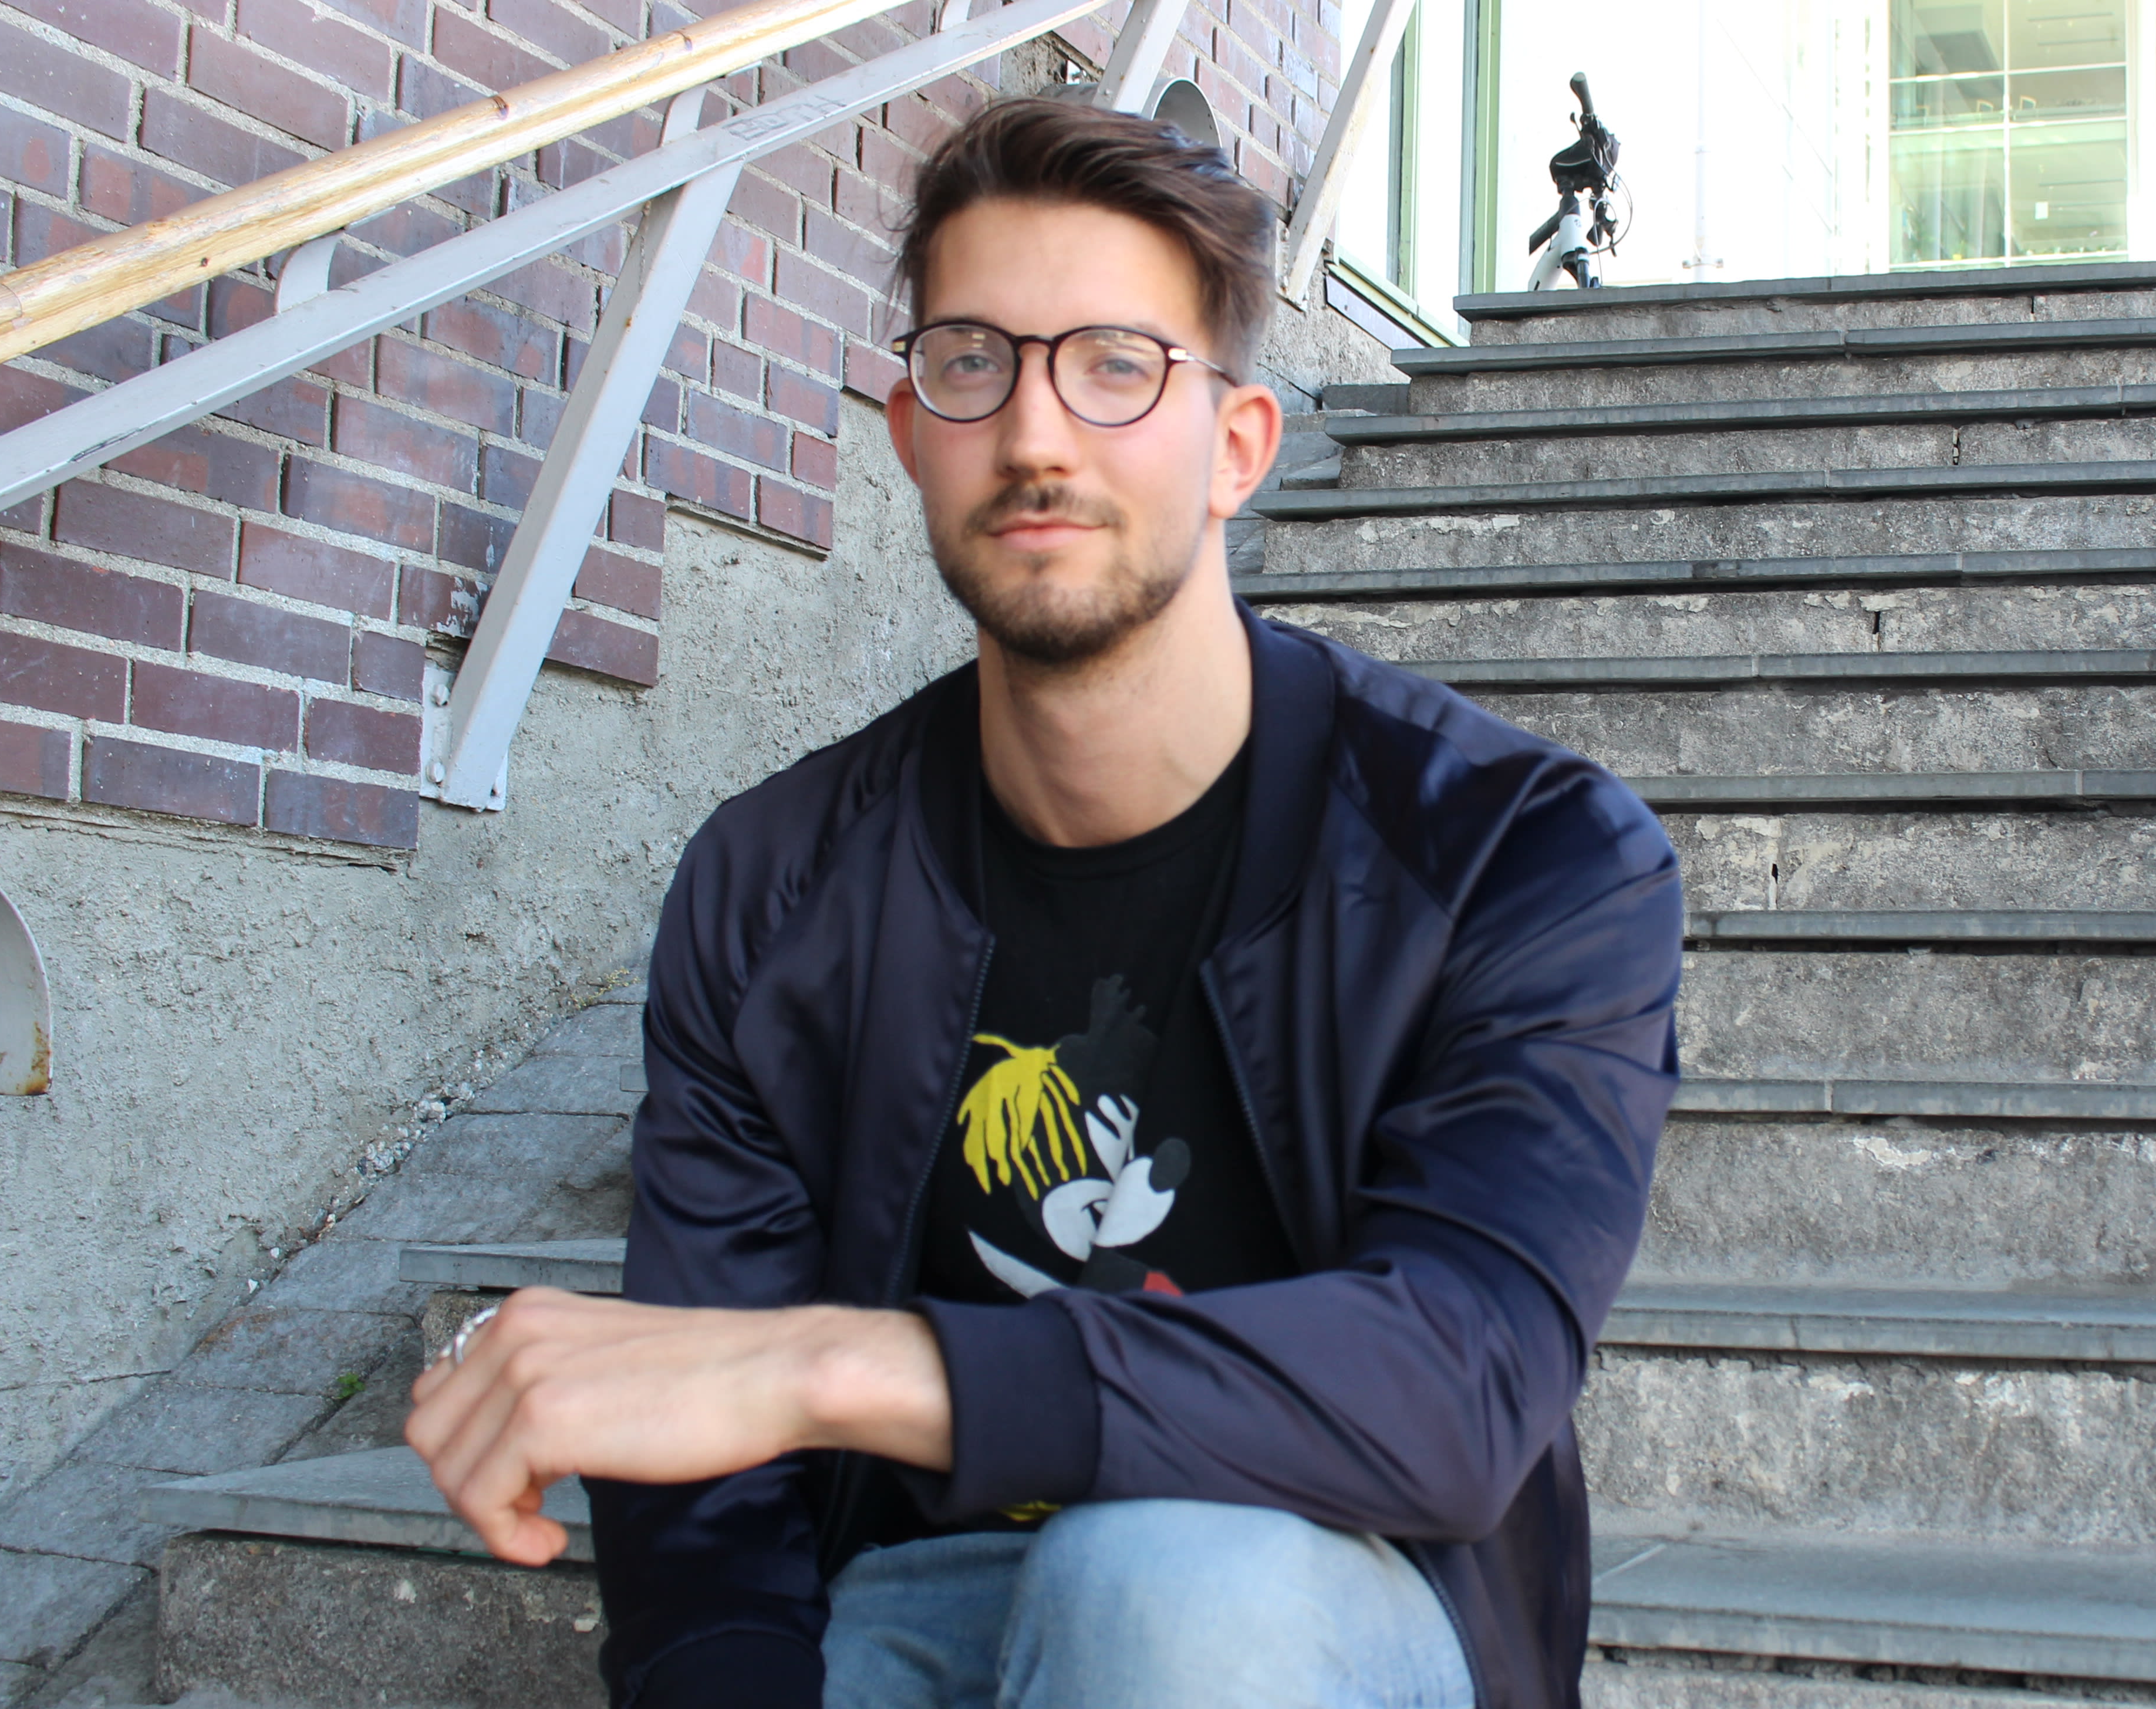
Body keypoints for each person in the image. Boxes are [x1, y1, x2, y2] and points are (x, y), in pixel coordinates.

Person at [401, 96, 1683, 1709]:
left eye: (1116, 366)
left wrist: (826, 1366)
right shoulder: (772, 890)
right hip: (918, 1605)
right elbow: (709, 1519)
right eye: (973, 363)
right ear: (906, 432)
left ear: (1238, 447)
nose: (1035, 437)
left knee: (1156, 1586)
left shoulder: (1514, 854)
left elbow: (1460, 1379)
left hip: (1322, 1597)